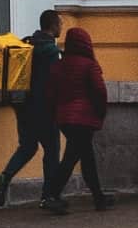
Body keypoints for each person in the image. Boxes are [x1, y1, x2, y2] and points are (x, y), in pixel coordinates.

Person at [0, 10, 64, 209]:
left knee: (28, 147)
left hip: (23, 107)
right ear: (53, 26)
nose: (62, 27)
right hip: (45, 110)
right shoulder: (51, 52)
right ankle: (48, 197)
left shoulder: (27, 43)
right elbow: (55, 83)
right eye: (60, 24)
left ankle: (4, 178)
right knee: (52, 151)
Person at [42, 27, 113, 215]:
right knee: (75, 158)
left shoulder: (59, 65)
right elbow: (100, 91)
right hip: (83, 119)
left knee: (80, 157)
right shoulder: (89, 65)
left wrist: (54, 115)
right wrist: (100, 112)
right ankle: (52, 195)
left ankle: (98, 197)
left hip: (64, 119)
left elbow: (50, 93)